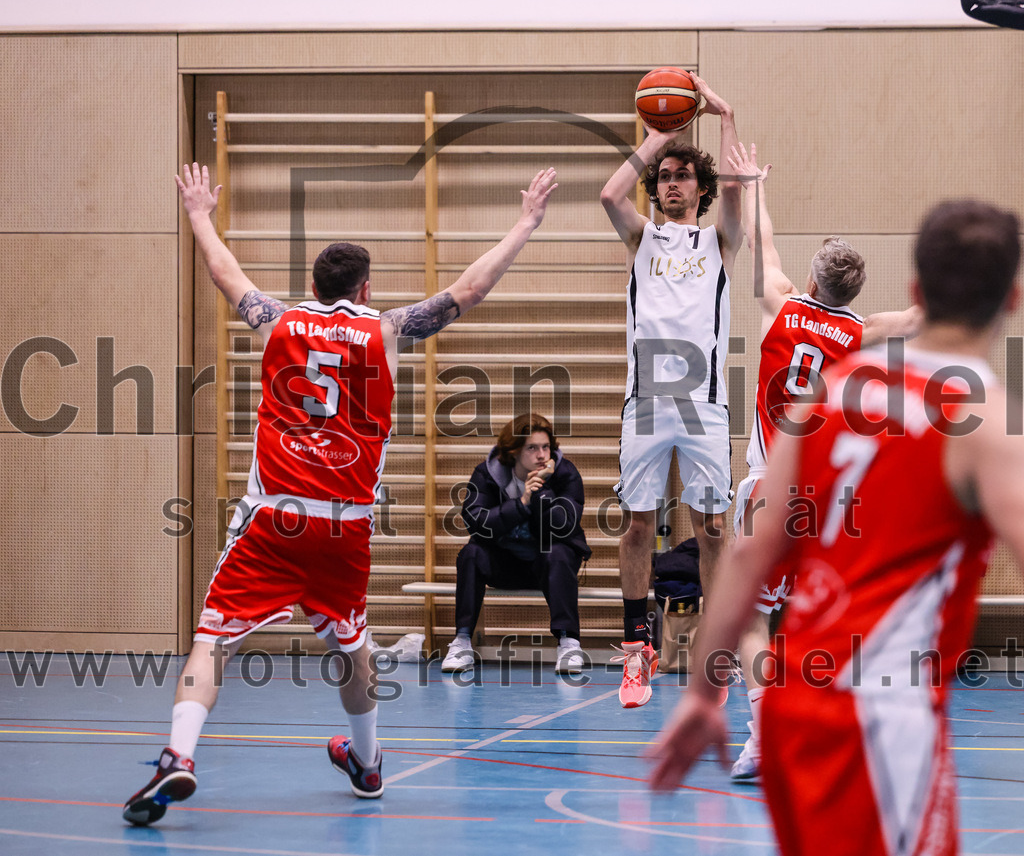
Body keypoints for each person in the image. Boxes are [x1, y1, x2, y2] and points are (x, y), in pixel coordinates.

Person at [122, 163, 558, 824]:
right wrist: (525, 221)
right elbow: (466, 290)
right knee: (352, 643)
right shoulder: (385, 330)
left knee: (214, 639)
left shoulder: (280, 322)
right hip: (346, 525)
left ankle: (178, 756)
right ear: (365, 287)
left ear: (316, 286)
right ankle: (368, 759)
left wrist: (199, 213)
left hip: (274, 517)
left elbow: (225, 274)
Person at [649, 199, 1024, 856]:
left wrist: (704, 691)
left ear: (917, 288)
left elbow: (745, 558)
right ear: (1013, 299)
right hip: (885, 714)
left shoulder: (833, 394)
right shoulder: (984, 418)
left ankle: (754, 723)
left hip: (796, 706)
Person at [727, 142, 921, 780]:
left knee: (750, 614)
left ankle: (761, 729)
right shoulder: (862, 334)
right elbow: (917, 320)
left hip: (766, 486)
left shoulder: (782, 305)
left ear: (812, 282)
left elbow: (765, 244)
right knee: (813, 617)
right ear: (855, 290)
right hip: (823, 497)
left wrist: (754, 184)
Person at [600, 72, 743, 707]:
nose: (671, 182)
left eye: (683, 174)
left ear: (701, 189)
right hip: (648, 401)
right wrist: (655, 136)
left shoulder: (718, 241)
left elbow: (739, 189)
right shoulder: (642, 238)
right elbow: (608, 193)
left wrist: (726, 117)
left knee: (713, 529)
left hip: (704, 402)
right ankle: (638, 652)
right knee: (638, 526)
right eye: (664, 175)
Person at [442, 413, 591, 675]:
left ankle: (569, 643)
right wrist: (520, 504)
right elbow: (475, 522)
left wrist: (540, 491)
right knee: (471, 553)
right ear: (513, 452)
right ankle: (462, 642)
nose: (541, 455)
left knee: (557, 552)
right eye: (532, 448)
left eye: (546, 447)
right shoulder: (487, 474)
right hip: (505, 564)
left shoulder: (565, 473)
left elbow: (564, 526)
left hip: (547, 565)